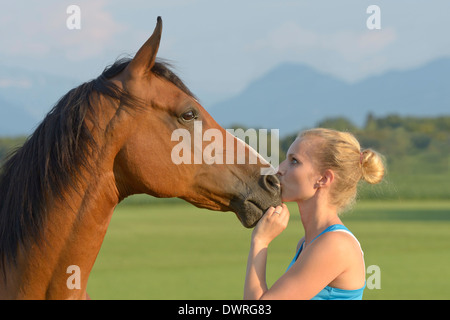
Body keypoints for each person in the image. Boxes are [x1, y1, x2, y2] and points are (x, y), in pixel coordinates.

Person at [244, 128, 385, 300]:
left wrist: (260, 241)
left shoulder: (335, 245)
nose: (279, 169)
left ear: (323, 179)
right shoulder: (306, 243)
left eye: (294, 161)